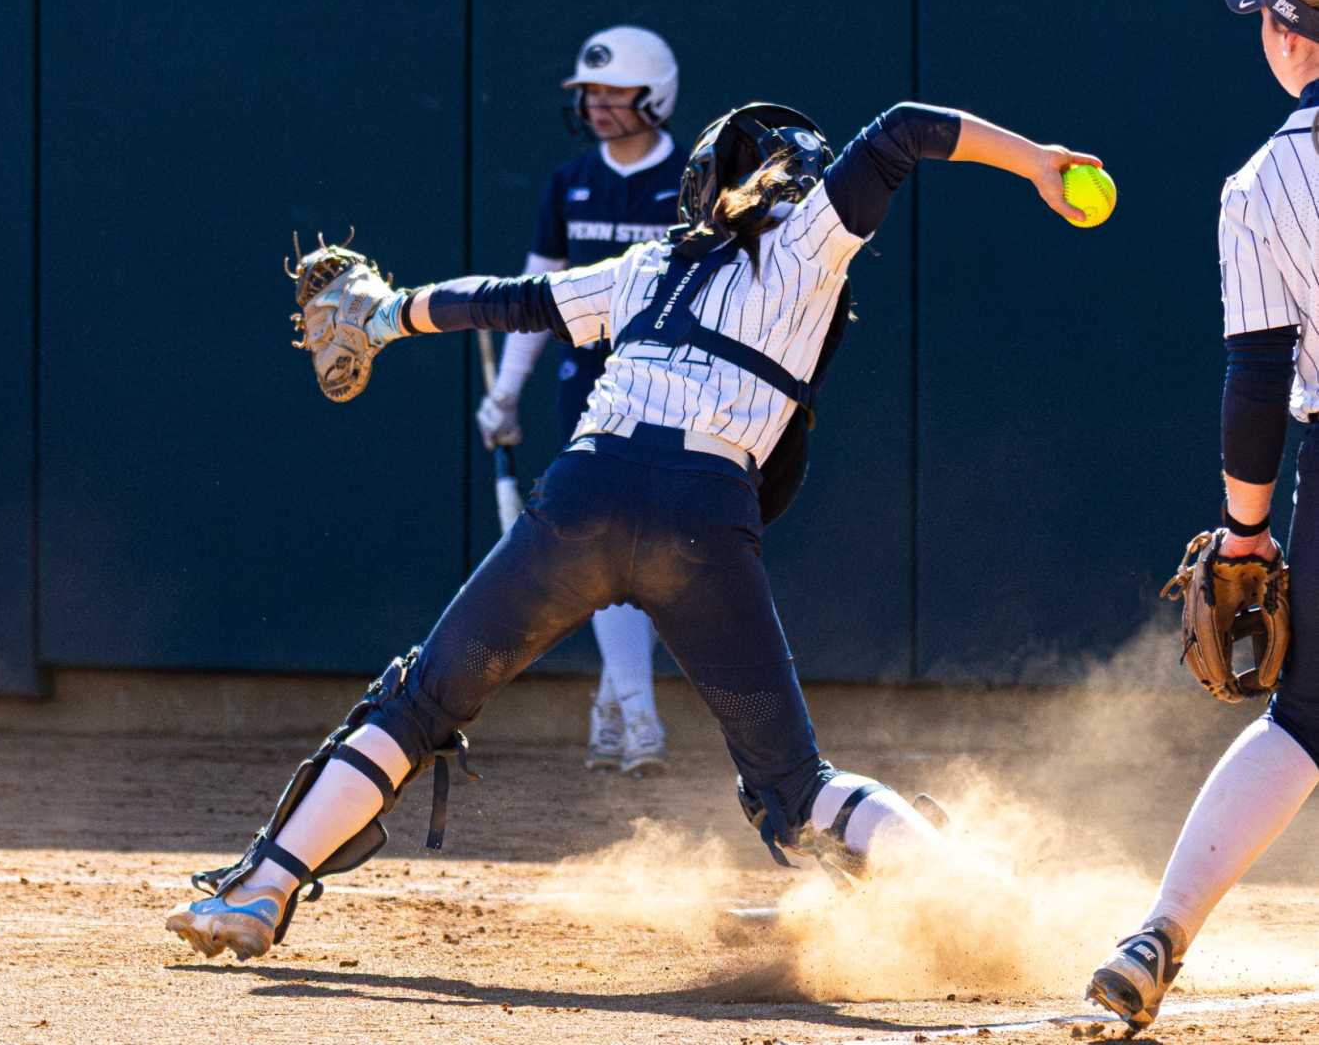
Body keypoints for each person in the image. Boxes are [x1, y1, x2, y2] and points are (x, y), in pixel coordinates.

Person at [167, 96, 1100, 962]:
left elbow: (509, 300)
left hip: (586, 492)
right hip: (704, 516)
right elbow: (903, 128)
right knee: (795, 788)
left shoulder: (649, 265)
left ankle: (262, 890)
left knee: (418, 705)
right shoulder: (811, 243)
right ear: (799, 181)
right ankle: (973, 897)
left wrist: (384, 314)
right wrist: (1038, 162)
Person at [1086, 0, 1319, 1031]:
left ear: (1292, 38)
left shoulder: (1268, 181)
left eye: (1267, 16)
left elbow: (1260, 378)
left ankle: (1161, 934)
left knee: (1305, 722)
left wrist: (1247, 531)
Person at [476, 25, 686, 775]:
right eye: (588, 93)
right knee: (604, 547)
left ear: (653, 96)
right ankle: (640, 719)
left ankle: (612, 703)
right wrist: (505, 394)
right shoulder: (568, 184)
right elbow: (538, 294)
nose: (596, 104)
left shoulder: (693, 182)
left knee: (646, 554)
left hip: (672, 390)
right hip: (586, 392)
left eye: (612, 92)